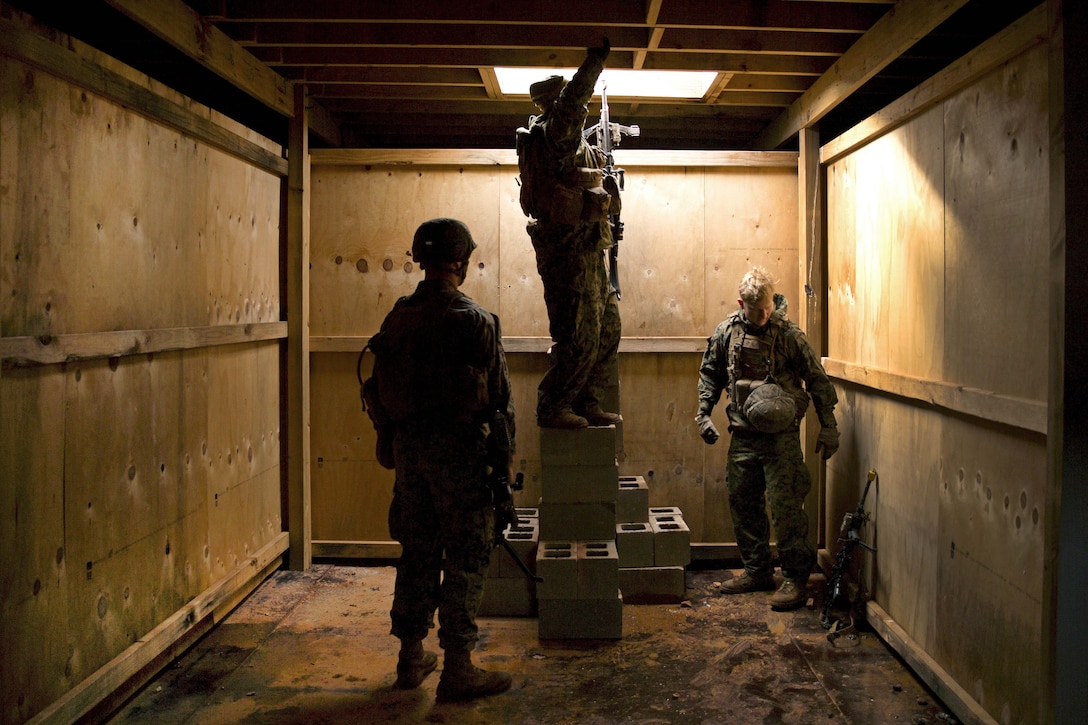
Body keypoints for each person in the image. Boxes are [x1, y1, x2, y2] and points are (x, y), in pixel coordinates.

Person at [367, 218, 516, 702]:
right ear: (460, 261)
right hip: (459, 455)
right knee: (467, 556)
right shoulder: (474, 319)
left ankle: (410, 659)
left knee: (417, 550)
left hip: (410, 455)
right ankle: (458, 667)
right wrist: (504, 468)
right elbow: (498, 402)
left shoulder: (399, 315)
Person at [694, 266, 840, 611]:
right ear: (740, 302)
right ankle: (757, 570)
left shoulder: (790, 335)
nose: (762, 316)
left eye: (767, 308)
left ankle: (794, 577)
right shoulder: (725, 333)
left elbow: (817, 381)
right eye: (754, 309)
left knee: (787, 508)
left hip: (781, 440)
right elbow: (711, 373)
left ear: (772, 302)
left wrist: (829, 426)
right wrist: (703, 414)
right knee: (743, 504)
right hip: (743, 437)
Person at [516, 39, 622, 429]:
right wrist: (594, 62)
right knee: (577, 334)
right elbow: (575, 101)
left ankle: (587, 400)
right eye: (563, 99)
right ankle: (554, 405)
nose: (574, 106)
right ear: (552, 102)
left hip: (592, 247)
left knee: (607, 330)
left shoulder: (572, 140)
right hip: (567, 252)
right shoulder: (553, 134)